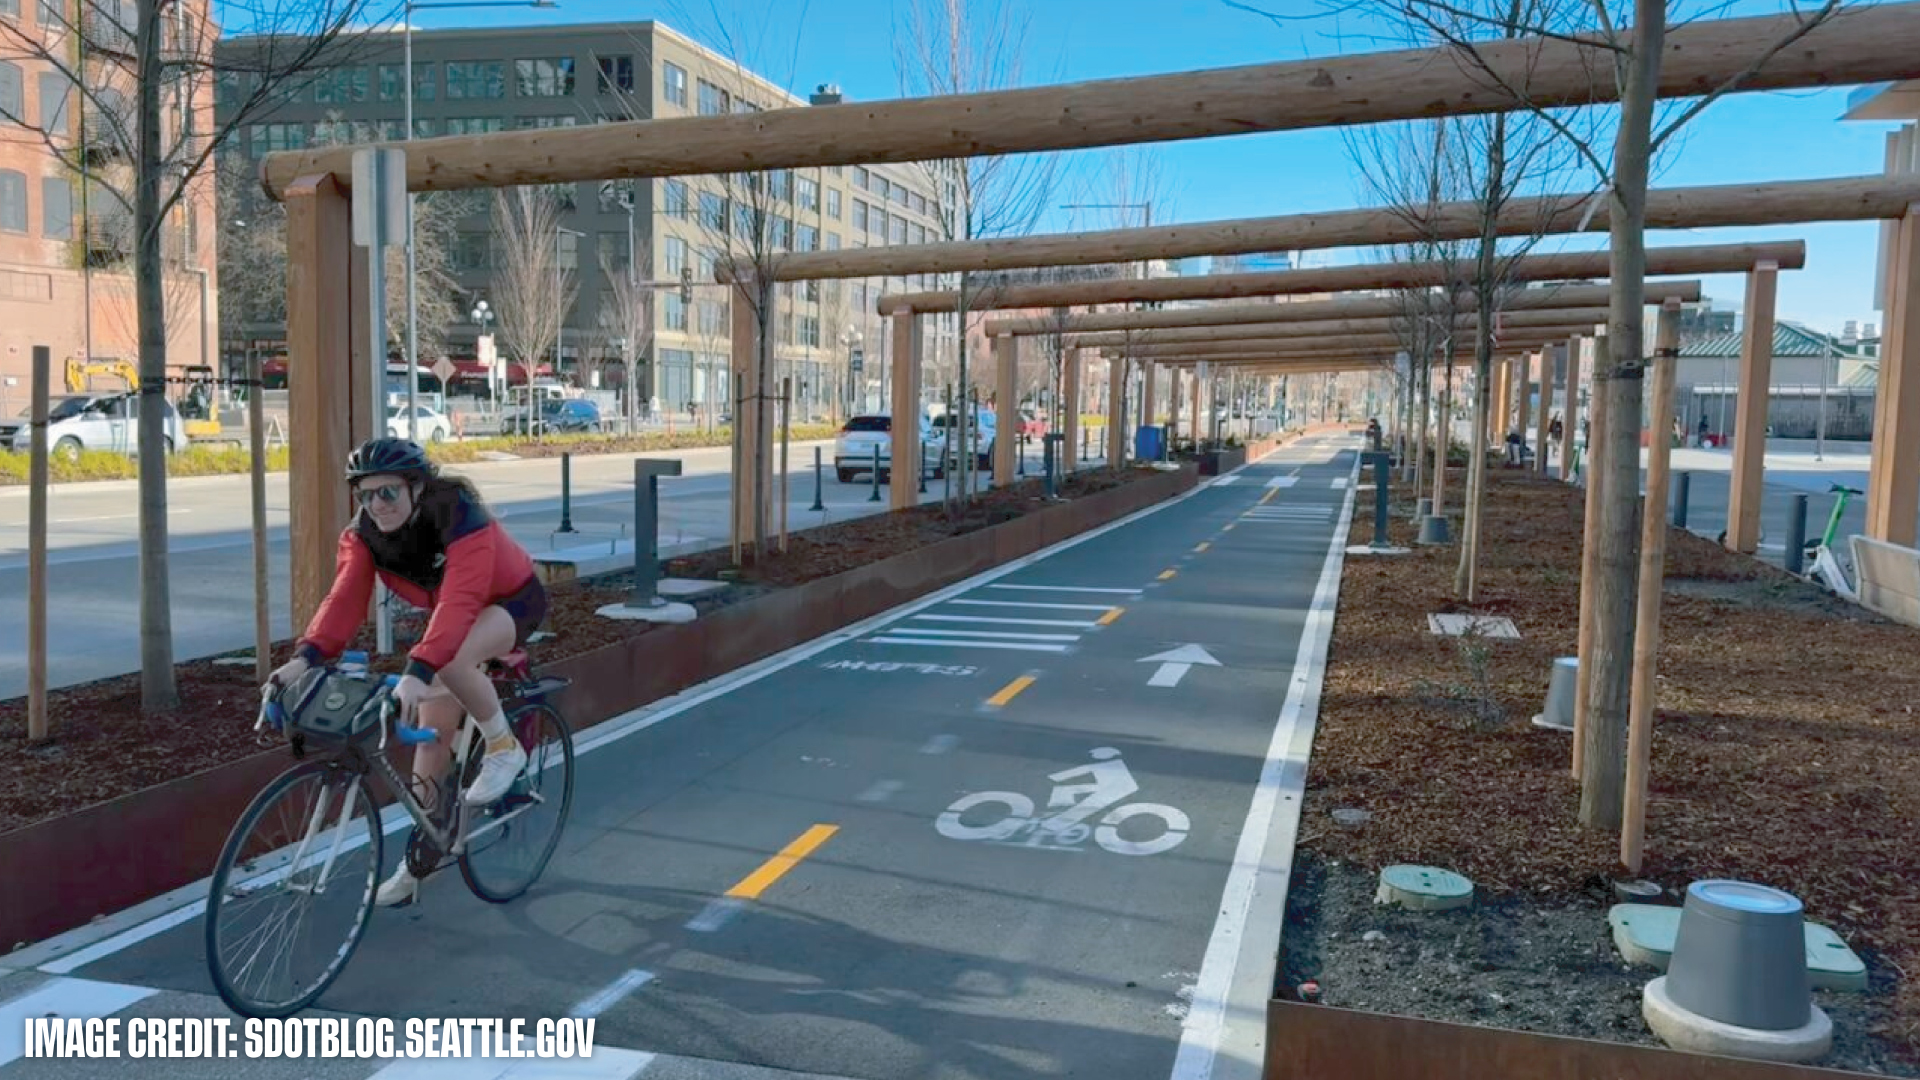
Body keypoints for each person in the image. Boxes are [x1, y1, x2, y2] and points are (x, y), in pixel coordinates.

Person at [267, 437, 546, 907]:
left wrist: (419, 668)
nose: (376, 505)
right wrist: (305, 658)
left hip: (509, 601)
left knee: (450, 659)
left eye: (388, 493)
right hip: (455, 616)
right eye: (366, 494)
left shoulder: (459, 513)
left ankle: (503, 746)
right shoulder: (364, 534)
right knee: (430, 739)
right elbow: (344, 599)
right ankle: (421, 859)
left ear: (416, 488)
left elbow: (461, 598)